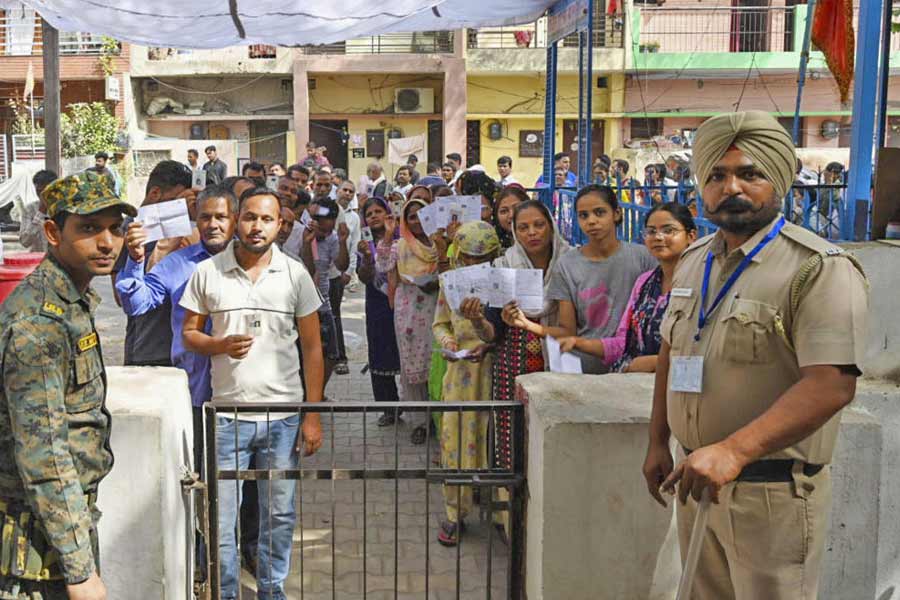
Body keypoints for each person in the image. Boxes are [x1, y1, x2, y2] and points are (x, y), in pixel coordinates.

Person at [642, 110, 868, 600]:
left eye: (750, 173)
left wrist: (734, 451)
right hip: (694, 481)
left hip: (772, 496)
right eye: (717, 176)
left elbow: (832, 384)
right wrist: (658, 439)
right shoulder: (694, 260)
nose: (732, 188)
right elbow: (670, 349)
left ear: (778, 181)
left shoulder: (819, 270)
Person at [180, 187, 325, 600]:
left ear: (280, 225)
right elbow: (189, 333)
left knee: (278, 514)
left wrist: (312, 416)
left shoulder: (295, 273)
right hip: (227, 417)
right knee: (222, 518)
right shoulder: (208, 272)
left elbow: (313, 348)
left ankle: (271, 589)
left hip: (283, 418)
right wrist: (218, 345)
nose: (256, 226)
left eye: (266, 219)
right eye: (249, 217)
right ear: (236, 220)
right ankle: (225, 592)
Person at [0, 171, 135, 600]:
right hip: (32, 549)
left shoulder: (71, 302)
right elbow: (45, 456)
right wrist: (80, 572)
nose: (107, 242)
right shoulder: (39, 323)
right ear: (54, 232)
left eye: (116, 228)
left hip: (59, 530)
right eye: (90, 228)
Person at [114, 184, 237, 471]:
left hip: (241, 397)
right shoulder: (179, 264)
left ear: (235, 218)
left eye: (221, 217)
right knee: (195, 476)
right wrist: (135, 260)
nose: (213, 224)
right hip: (193, 395)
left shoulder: (256, 262)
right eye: (205, 217)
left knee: (246, 490)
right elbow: (136, 304)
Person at [531, 184, 657, 373]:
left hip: (633, 370)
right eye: (583, 215)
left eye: (599, 212)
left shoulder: (644, 258)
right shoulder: (567, 265)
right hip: (583, 370)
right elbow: (567, 330)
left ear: (616, 214)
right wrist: (525, 324)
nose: (591, 221)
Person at [558, 202, 697, 373]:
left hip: (681, 388)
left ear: (691, 236)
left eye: (669, 230)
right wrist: (577, 342)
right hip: (636, 385)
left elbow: (705, 351)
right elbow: (623, 343)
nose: (658, 237)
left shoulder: (699, 283)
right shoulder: (645, 283)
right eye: (651, 231)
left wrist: (656, 362)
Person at [432, 221, 500, 547]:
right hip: (459, 374)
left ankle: (500, 511)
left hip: (493, 371)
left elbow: (501, 332)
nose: (474, 264)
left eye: (482, 257)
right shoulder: (450, 284)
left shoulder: (503, 284)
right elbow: (440, 322)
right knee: (455, 441)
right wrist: (447, 343)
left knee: (495, 440)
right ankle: (454, 511)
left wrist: (480, 327)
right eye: (469, 257)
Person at [112, 160, 195, 368]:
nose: (181, 208)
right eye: (176, 201)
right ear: (155, 193)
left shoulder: (190, 229)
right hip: (149, 350)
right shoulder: (128, 230)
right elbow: (122, 297)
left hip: (183, 347)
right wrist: (172, 228)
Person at [376, 197, 439, 444]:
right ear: (406, 221)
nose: (418, 220)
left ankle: (438, 419)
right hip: (409, 310)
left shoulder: (441, 242)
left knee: (436, 362)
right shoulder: (400, 245)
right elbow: (382, 264)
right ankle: (419, 422)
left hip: (437, 308)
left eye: (423, 214)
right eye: (412, 216)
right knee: (413, 367)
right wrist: (388, 235)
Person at [356, 197, 402, 425]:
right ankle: (389, 407)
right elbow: (364, 278)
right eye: (369, 213)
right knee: (380, 352)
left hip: (405, 303)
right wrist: (366, 259)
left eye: (378, 211)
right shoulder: (364, 243)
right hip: (377, 304)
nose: (373, 216)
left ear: (388, 213)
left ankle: (418, 406)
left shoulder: (402, 238)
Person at [298, 198, 350, 387]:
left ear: (333, 220)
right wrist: (306, 243)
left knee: (331, 354)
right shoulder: (298, 233)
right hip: (298, 306)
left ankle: (316, 393)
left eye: (321, 218)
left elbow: (341, 265)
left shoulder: (333, 238)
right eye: (312, 217)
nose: (316, 222)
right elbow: (308, 269)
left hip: (322, 303)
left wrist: (344, 242)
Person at [332, 180, 362, 365]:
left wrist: (350, 271)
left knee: (335, 314)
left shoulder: (354, 218)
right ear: (338, 191)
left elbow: (354, 246)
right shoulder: (326, 209)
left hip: (340, 271)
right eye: (345, 190)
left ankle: (340, 356)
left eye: (351, 192)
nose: (347, 194)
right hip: (323, 270)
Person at [18, 169, 57, 253]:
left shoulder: (64, 208)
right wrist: (41, 213)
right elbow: (24, 242)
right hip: (38, 260)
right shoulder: (29, 209)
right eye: (38, 191)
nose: (42, 195)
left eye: (46, 191)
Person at [493, 184, 529, 250]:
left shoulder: (541, 240)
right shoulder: (491, 245)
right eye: (504, 211)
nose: (511, 215)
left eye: (517, 208)